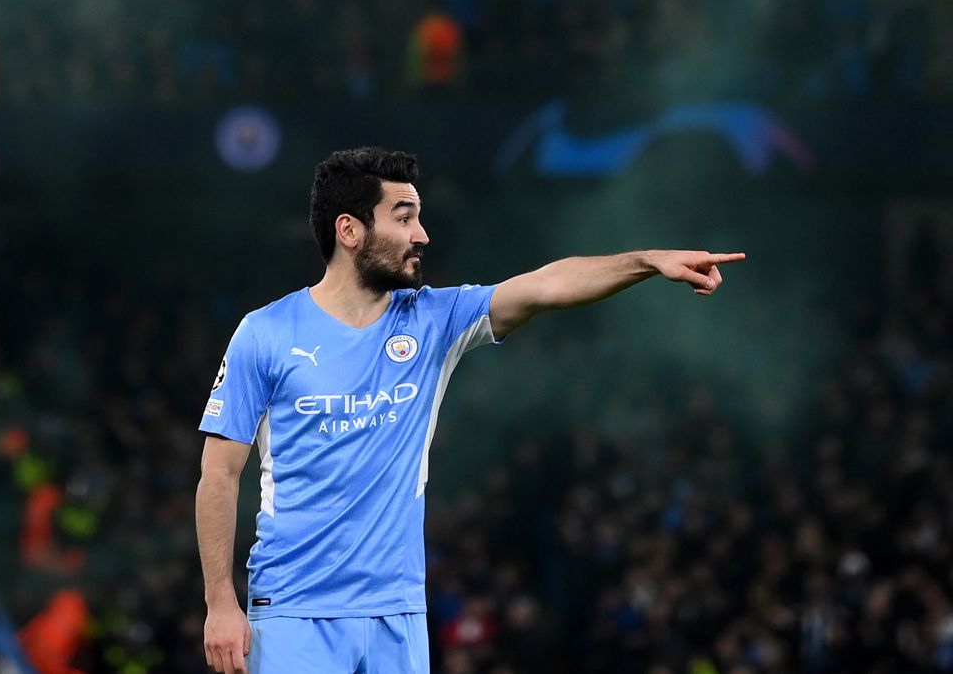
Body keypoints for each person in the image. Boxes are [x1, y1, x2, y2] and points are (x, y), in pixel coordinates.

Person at [195, 146, 745, 674]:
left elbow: (547, 285)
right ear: (350, 230)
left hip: (398, 612)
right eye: (404, 217)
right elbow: (218, 474)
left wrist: (648, 261)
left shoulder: (434, 319)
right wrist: (221, 603)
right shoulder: (265, 333)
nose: (422, 235)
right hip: (294, 611)